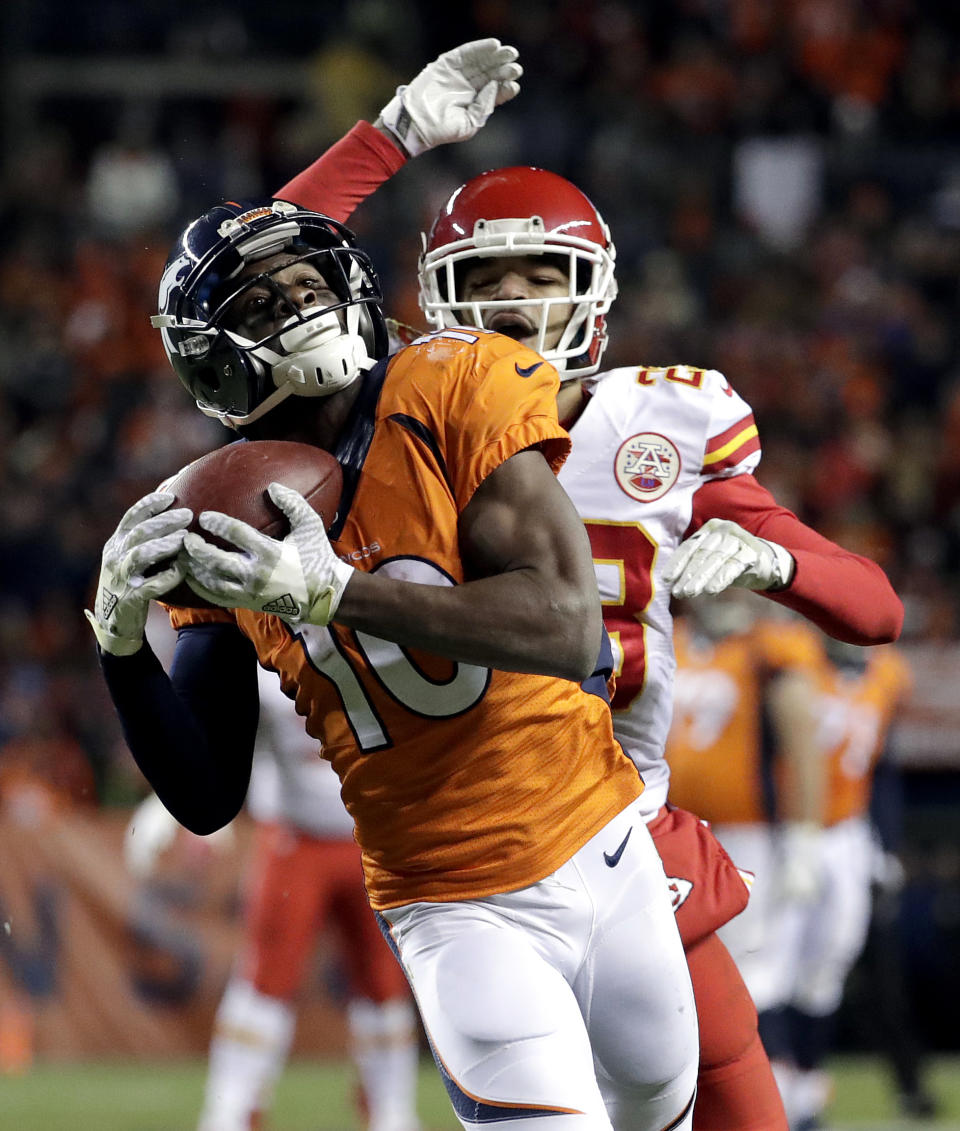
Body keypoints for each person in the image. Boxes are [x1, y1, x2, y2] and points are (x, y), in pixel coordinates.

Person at [271, 50, 904, 1131]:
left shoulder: (656, 425)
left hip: (625, 823)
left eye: (541, 279)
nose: (516, 309)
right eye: (490, 282)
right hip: (474, 829)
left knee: (733, 1098)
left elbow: (876, 609)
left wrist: (773, 559)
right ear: (435, 303)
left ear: (596, 294)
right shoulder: (398, 422)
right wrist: (387, 138)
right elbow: (257, 280)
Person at [86, 185, 700, 1131]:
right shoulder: (212, 511)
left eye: (303, 282)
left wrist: (340, 596)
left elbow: (567, 624)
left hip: (605, 843)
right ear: (210, 356)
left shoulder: (452, 384)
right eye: (258, 303)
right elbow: (207, 794)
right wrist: (122, 651)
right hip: (454, 903)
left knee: (665, 1111)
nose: (293, 306)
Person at [124, 653, 420, 1131]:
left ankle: (392, 1112)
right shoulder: (264, 652)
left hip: (372, 836)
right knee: (265, 980)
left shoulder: (371, 636)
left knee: (383, 985)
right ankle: (231, 1110)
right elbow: (215, 730)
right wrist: (181, 805)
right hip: (294, 836)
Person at [748, 639, 914, 1131]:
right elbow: (765, 748)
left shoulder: (888, 674)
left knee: (829, 963)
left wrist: (886, 844)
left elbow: (883, 766)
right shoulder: (794, 663)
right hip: (793, 828)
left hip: (849, 834)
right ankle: (776, 1086)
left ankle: (808, 1083)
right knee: (770, 961)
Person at [665, 594, 827, 1008]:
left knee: (743, 962)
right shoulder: (669, 638)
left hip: (745, 833)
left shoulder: (768, 648)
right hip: (666, 824)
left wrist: (804, 838)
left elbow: (802, 747)